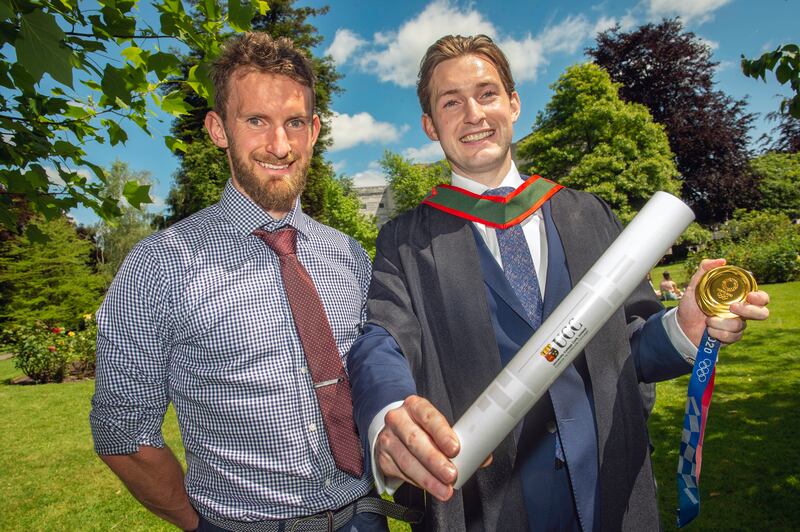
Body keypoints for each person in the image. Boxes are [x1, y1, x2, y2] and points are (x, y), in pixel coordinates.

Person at [346, 34, 770, 531]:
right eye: (451, 102)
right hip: (491, 502)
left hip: (609, 487)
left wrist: (685, 325)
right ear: (430, 125)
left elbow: (629, 347)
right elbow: (382, 340)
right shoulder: (405, 240)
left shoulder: (587, 214)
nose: (473, 113)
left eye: (486, 94)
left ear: (513, 103)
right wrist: (390, 415)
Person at [90, 32, 410, 532]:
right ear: (219, 129)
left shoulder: (347, 254)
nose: (279, 146)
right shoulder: (160, 265)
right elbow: (122, 433)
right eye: (256, 120)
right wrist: (198, 525)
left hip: (365, 517)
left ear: (313, 130)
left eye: (294, 123)